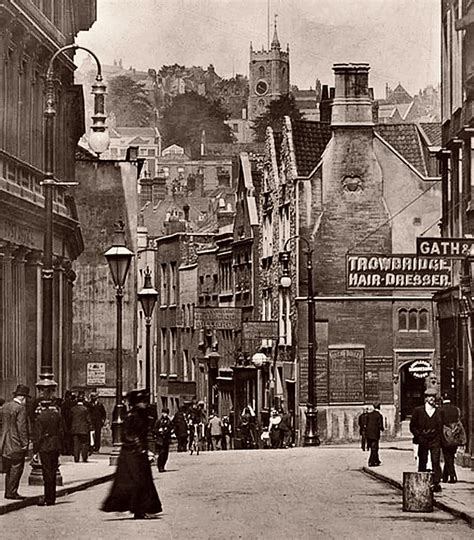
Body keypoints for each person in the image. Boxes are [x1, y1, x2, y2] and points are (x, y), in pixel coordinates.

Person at [102, 389, 162, 520]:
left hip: (139, 453)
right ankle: (138, 509)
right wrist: (139, 447)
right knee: (135, 481)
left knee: (144, 481)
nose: (145, 404)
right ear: (137, 403)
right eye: (143, 402)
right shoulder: (131, 416)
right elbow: (127, 435)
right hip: (131, 454)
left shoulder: (142, 415)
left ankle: (142, 509)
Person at [410, 387, 443, 493]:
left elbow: (441, 426)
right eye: (429, 397)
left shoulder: (439, 411)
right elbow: (413, 426)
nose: (432, 399)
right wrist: (419, 436)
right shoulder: (418, 411)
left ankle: (436, 483)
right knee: (422, 460)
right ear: (425, 398)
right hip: (422, 439)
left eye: (433, 396)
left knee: (435, 461)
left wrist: (438, 436)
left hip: (435, 440)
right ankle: (422, 482)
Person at [0, 384, 30, 500]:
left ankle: (9, 491)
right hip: (15, 442)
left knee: (8, 468)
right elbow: (21, 428)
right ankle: (11, 492)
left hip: (4, 442)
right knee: (16, 467)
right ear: (22, 397)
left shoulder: (5, 407)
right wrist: (25, 443)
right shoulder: (20, 408)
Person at [32, 399, 64, 506]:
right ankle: (52, 498)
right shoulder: (57, 416)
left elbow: (38, 435)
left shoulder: (40, 418)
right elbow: (61, 431)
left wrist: (35, 451)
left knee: (46, 472)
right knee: (53, 471)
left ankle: (47, 497)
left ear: (41, 405)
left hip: (45, 446)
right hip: (55, 445)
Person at [439, 394, 462, 484]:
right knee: (451, 456)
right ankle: (445, 476)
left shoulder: (440, 410)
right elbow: (459, 420)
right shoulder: (456, 409)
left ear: (442, 399)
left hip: (445, 435)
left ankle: (452, 476)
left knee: (447, 456)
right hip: (455, 435)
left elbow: (439, 423)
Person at [70, 393, 92, 463]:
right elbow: (88, 419)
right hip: (83, 429)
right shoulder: (85, 409)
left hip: (75, 428)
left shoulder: (73, 409)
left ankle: (76, 458)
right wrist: (90, 426)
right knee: (84, 443)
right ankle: (84, 457)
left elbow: (70, 418)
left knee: (76, 444)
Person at [153, 407, 172, 472]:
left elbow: (171, 428)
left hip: (166, 440)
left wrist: (168, 431)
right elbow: (154, 430)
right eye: (164, 413)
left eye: (166, 413)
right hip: (160, 440)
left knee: (165, 455)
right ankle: (160, 467)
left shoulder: (169, 421)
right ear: (162, 413)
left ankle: (163, 466)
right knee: (161, 453)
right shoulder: (158, 421)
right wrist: (159, 431)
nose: (165, 415)